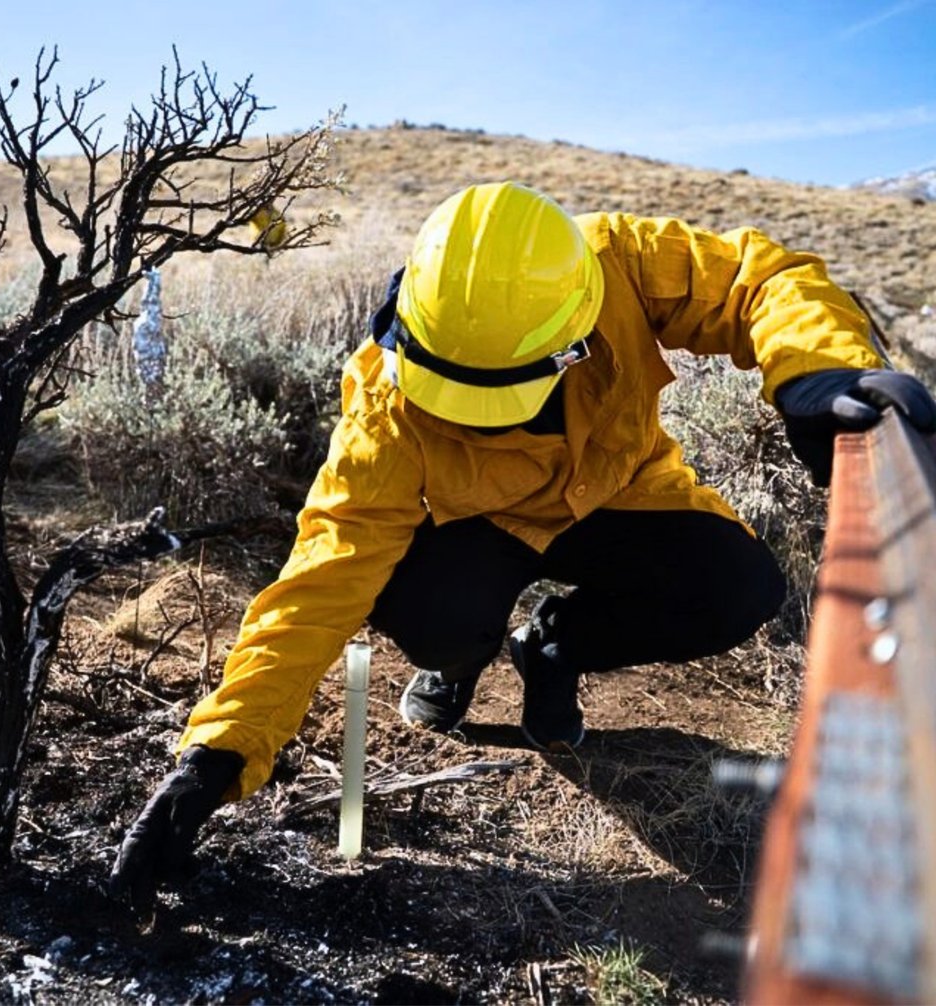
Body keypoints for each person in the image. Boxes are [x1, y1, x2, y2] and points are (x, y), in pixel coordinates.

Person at [109, 181, 936, 906]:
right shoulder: (384, 409)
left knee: (739, 588)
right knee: (424, 612)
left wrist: (814, 369)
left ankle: (552, 648)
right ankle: (457, 660)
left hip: (615, 492)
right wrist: (219, 752)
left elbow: (766, 278)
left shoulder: (616, 261)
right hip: (481, 527)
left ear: (573, 336)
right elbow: (321, 579)